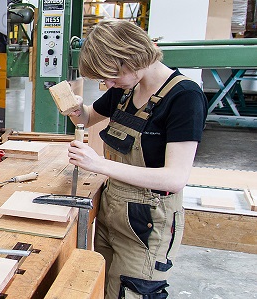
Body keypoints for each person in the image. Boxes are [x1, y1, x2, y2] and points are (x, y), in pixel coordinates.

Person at [66, 19, 208, 298]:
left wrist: (98, 164)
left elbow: (175, 178)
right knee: (104, 288)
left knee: (131, 292)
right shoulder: (125, 89)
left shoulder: (184, 97)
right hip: (112, 211)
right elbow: (87, 116)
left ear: (129, 60)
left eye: (109, 77)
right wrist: (72, 106)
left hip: (147, 222)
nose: (106, 85)